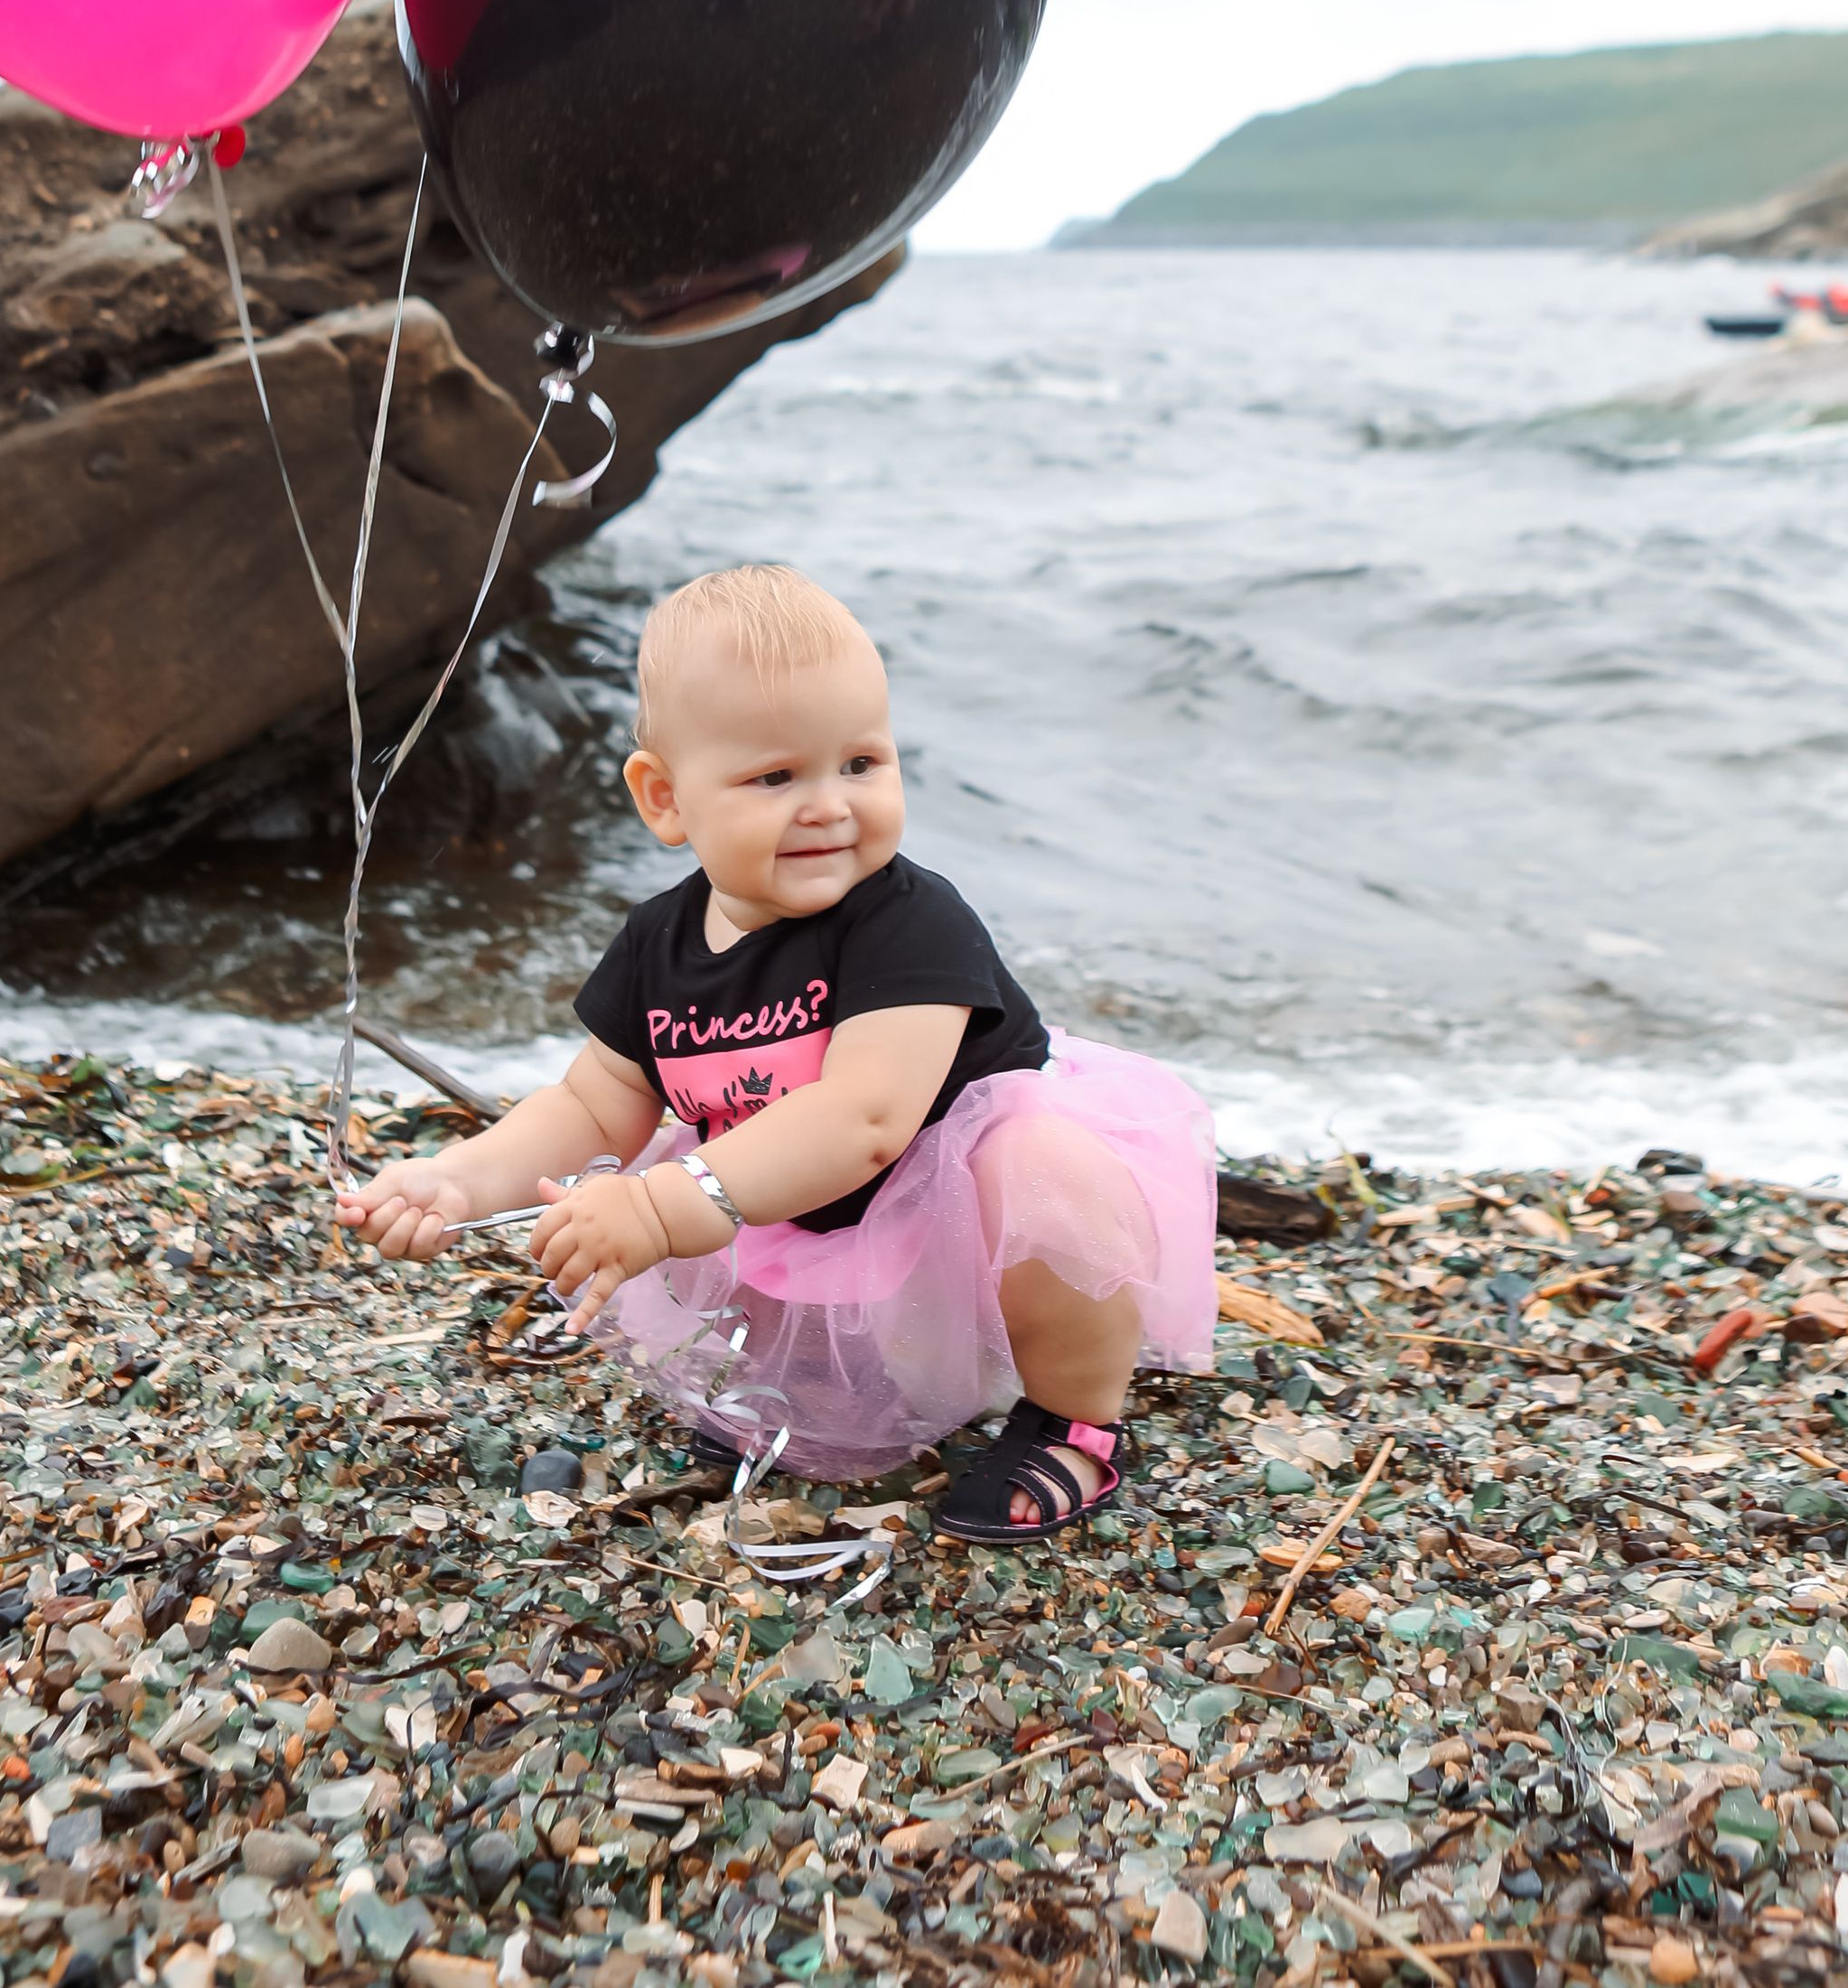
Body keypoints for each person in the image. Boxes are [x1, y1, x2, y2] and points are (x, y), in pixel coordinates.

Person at [340, 565, 1214, 1536]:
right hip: (796, 1216)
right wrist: (459, 1183)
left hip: (961, 1216)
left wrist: (674, 1202)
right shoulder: (656, 945)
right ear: (665, 800)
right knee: (714, 1185)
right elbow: (594, 1106)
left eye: (860, 765)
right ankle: (830, 1382)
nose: (830, 805)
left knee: (1045, 1172)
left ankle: (1074, 1420)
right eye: (774, 777)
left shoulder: (909, 920)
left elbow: (866, 1121)